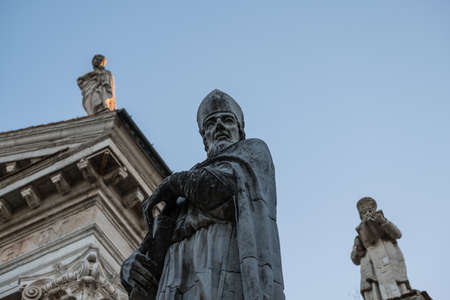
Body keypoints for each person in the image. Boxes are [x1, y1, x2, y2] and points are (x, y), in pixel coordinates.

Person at [121, 89, 285, 299]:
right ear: (204, 139)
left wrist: (174, 181)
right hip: (172, 281)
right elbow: (151, 245)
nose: (219, 126)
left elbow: (220, 190)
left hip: (222, 268)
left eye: (227, 120)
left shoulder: (252, 153)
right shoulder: (182, 192)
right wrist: (129, 268)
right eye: (210, 123)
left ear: (240, 132)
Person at [351, 197, 410, 300]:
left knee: (398, 287)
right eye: (364, 212)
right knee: (375, 289)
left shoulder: (383, 223)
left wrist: (382, 222)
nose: (367, 214)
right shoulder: (359, 235)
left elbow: (398, 234)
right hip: (371, 266)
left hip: (389, 261)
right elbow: (355, 259)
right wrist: (357, 248)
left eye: (370, 211)